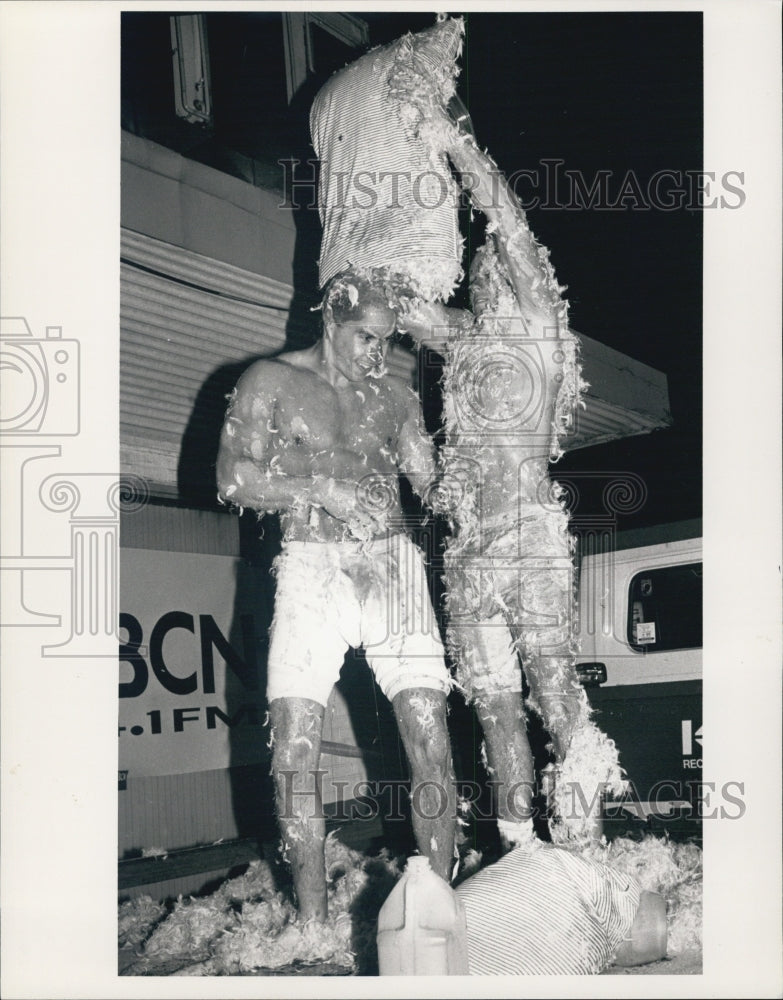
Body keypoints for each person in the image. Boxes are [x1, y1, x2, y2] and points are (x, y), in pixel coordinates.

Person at [397, 122, 625, 850]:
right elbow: (397, 307)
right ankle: (521, 849)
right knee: (492, 709)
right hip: (468, 554)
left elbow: (507, 217)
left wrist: (452, 141)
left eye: (500, 257)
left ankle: (582, 848)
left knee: (552, 691)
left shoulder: (536, 325)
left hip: (529, 536)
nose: (490, 265)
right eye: (483, 263)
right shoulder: (464, 345)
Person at [216, 271, 456, 922]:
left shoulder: (396, 397)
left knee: (429, 732)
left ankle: (438, 913)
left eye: (387, 341)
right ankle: (314, 926)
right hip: (310, 563)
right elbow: (232, 477)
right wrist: (318, 489)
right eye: (365, 339)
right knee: (293, 746)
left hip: (391, 562)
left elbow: (431, 485)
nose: (377, 355)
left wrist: (481, 481)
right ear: (331, 321)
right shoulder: (270, 380)